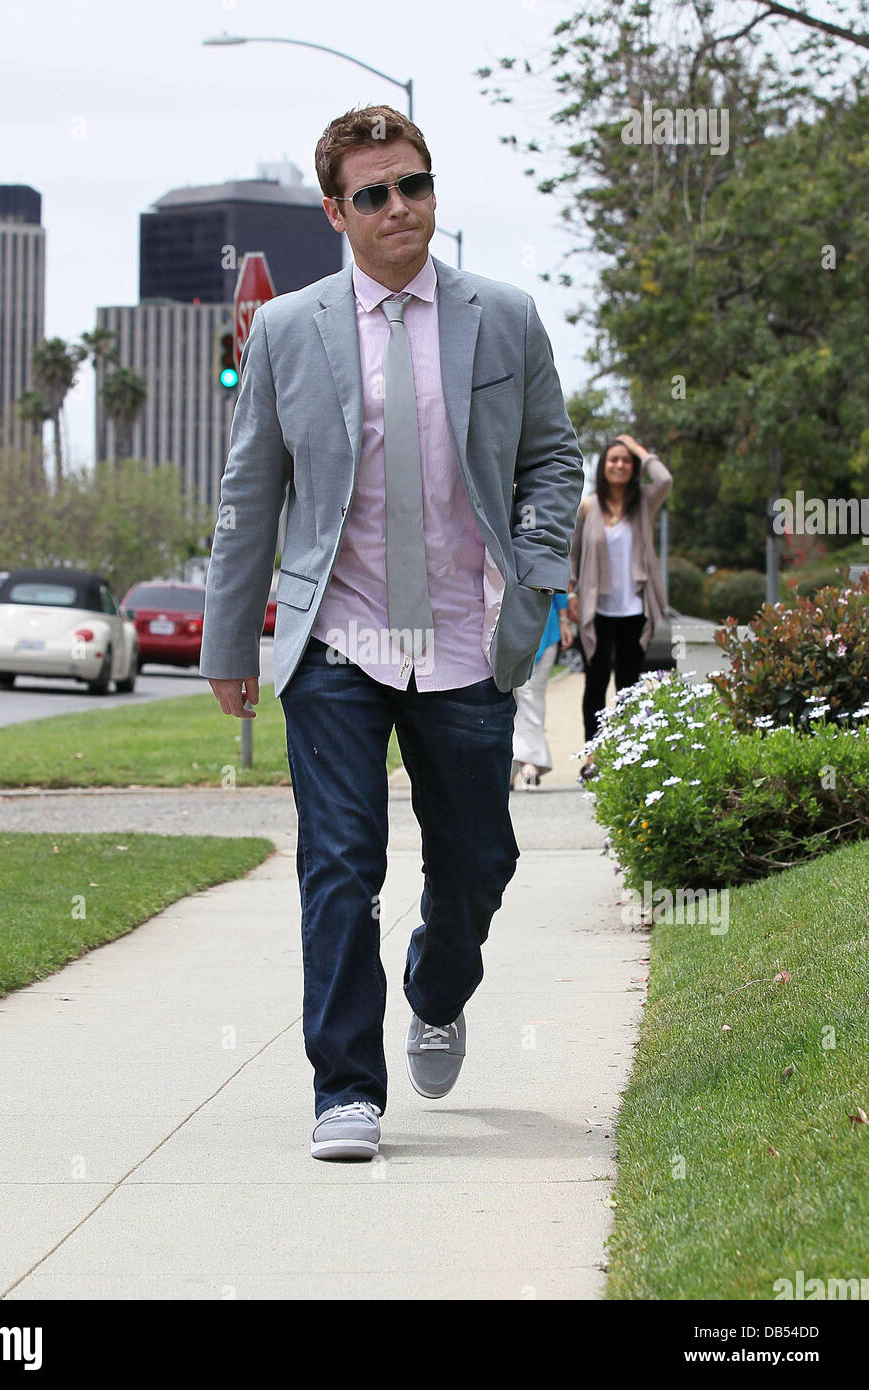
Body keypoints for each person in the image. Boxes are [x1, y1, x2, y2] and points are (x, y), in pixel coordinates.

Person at [199, 105, 584, 1161]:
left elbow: (553, 458)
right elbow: (250, 494)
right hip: (339, 636)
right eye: (374, 194)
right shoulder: (287, 333)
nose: (400, 207)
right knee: (340, 859)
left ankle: (437, 984)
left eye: (413, 185)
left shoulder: (503, 317)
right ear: (337, 210)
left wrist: (540, 568)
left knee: (478, 863)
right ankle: (345, 1088)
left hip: (466, 635)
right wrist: (230, 642)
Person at [567, 434, 672, 772]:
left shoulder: (643, 503)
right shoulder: (588, 506)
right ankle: (593, 756)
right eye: (613, 459)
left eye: (626, 460)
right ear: (603, 465)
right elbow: (573, 554)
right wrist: (570, 593)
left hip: (634, 610)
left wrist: (639, 448)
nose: (619, 465)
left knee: (629, 685)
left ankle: (627, 754)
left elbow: (665, 479)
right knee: (595, 683)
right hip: (596, 610)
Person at [510, 591, 574, 788]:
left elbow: (558, 572)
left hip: (544, 626)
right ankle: (511, 765)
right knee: (507, 699)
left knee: (531, 696)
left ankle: (529, 761)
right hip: (505, 624)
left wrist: (564, 620)